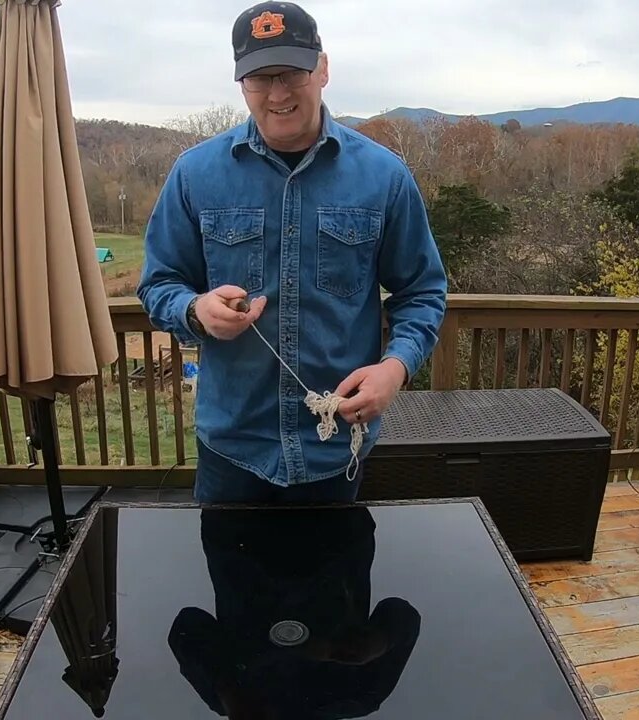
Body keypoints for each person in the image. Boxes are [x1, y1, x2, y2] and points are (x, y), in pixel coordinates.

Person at [136, 1, 447, 505]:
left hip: (335, 452)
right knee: (234, 586)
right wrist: (195, 311)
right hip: (232, 451)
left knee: (336, 585)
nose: (277, 93)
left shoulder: (385, 177)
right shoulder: (195, 174)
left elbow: (423, 291)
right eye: (260, 78)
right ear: (241, 84)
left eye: (291, 72)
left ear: (322, 69)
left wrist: (396, 368)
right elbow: (157, 285)